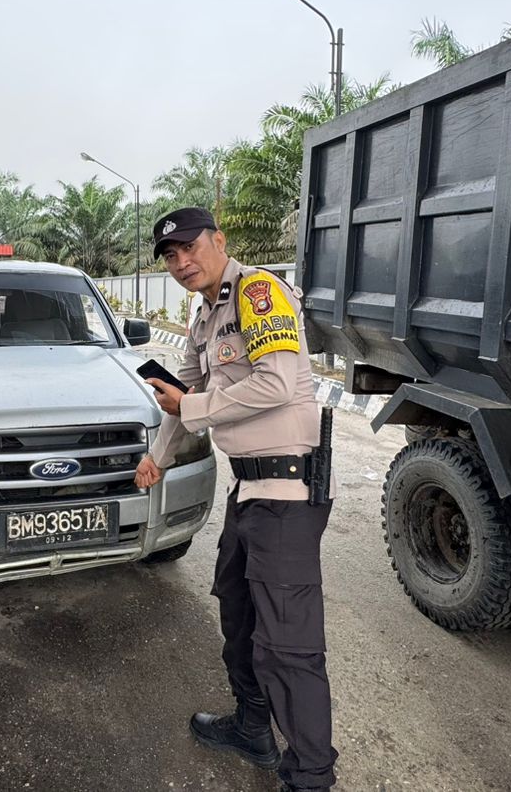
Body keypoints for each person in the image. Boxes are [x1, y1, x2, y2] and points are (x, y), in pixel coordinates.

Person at [134, 207, 337, 792]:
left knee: (288, 646)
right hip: (247, 491)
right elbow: (185, 395)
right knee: (239, 615)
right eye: (170, 256)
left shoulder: (258, 292)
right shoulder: (205, 317)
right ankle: (253, 728)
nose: (181, 262)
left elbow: (275, 382)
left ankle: (311, 777)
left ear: (219, 240)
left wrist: (191, 406)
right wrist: (158, 457)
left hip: (287, 495)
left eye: (189, 247)